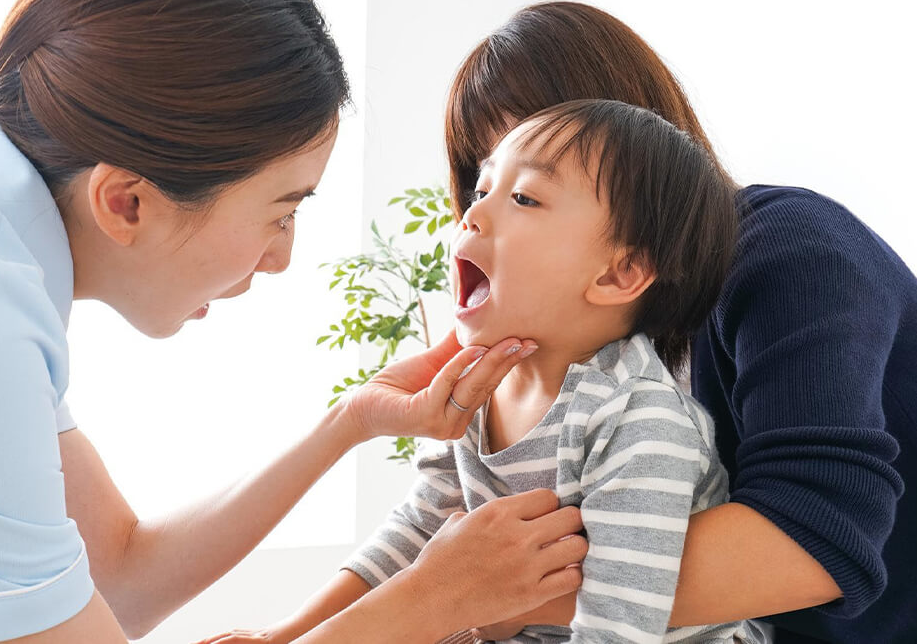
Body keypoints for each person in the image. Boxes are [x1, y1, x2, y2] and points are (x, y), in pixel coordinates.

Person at [0, 0, 589, 643]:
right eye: (282, 211)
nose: (283, 256)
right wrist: (429, 601)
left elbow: (118, 576)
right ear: (128, 202)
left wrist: (353, 420)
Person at [435, 2, 917, 643]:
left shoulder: (790, 248)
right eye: (481, 181)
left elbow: (815, 536)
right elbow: (449, 524)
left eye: (529, 188)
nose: (485, 214)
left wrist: (496, 597)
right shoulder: (569, 342)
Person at [200, 98, 770, 643]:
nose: (472, 213)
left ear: (618, 275)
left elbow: (620, 625)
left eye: (524, 198)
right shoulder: (479, 385)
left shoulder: (638, 421)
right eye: (482, 188)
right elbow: (418, 533)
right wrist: (290, 633)